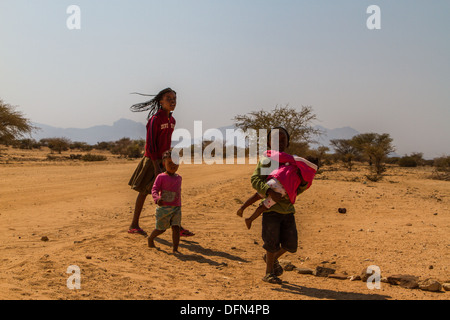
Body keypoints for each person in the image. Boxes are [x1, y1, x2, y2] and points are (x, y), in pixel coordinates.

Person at [248, 127, 315, 284]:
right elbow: (255, 180)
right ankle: (268, 272)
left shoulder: (293, 162)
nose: (280, 142)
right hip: (271, 209)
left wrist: (301, 186)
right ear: (269, 142)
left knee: (291, 245)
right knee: (271, 243)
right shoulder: (268, 161)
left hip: (288, 209)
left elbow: (299, 185)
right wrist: (269, 192)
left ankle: (270, 259)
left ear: (288, 142)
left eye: (283, 139)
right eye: (276, 139)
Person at [127, 88, 194, 237]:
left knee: (170, 192)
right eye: (168, 98)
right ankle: (134, 225)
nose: (172, 101)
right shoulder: (155, 119)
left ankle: (177, 225)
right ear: (160, 101)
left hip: (164, 161)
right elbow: (150, 145)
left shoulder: (172, 120)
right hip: (151, 160)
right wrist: (156, 167)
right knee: (144, 192)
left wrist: (169, 159)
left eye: (174, 99)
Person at [240, 151, 318, 230]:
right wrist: (291, 197)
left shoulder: (296, 161)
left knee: (257, 196)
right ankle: (250, 219)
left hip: (277, 181)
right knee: (264, 206)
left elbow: (281, 156)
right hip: (282, 192)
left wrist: (268, 153)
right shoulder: (309, 176)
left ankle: (243, 208)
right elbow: (301, 188)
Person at [147, 150, 183, 253]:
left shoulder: (179, 178)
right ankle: (150, 238)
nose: (173, 166)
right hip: (163, 209)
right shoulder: (161, 177)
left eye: (175, 163)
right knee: (161, 229)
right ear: (164, 163)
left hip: (176, 208)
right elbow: (154, 189)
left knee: (176, 228)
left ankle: (175, 249)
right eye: (169, 163)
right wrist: (157, 199)